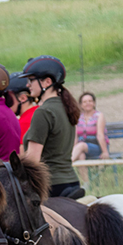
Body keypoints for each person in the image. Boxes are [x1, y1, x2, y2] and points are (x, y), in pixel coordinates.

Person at [19, 55, 82, 198]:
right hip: (72, 181)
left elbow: (32, 162)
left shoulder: (43, 112)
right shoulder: (66, 107)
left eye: (31, 80)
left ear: (47, 82)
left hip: (51, 186)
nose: (27, 85)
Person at [71, 92, 110, 182]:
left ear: (94, 103)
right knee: (80, 155)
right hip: (83, 147)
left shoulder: (99, 116)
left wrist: (105, 152)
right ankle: (87, 184)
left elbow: (100, 135)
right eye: (84, 102)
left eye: (90, 101)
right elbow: (75, 136)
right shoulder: (78, 117)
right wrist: (73, 149)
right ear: (81, 105)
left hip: (97, 146)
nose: (87, 103)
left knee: (81, 146)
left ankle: (67, 164)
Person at [6, 72, 38, 139]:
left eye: (8, 98)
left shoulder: (25, 123)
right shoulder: (38, 111)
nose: (5, 102)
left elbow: (20, 149)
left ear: (23, 98)